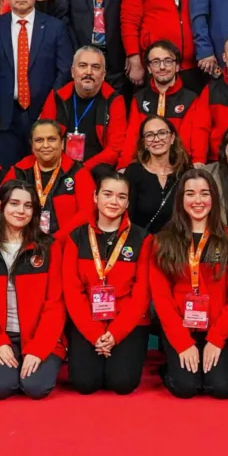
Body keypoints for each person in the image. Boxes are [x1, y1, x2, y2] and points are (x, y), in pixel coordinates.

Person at [149, 169, 228, 399]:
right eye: (190, 194)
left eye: (204, 193)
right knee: (185, 387)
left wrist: (216, 339)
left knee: (221, 388)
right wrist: (183, 342)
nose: (198, 200)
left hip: (219, 328)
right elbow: (161, 299)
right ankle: (171, 364)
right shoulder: (163, 241)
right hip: (181, 328)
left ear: (214, 198)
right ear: (180, 199)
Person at [0, 180, 65, 399]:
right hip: (3, 335)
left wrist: (38, 349)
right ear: (0, 206)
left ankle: (32, 364)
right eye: (14, 203)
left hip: (39, 335)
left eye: (28, 206)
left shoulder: (49, 247)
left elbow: (55, 304)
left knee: (35, 387)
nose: (21, 211)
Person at [59, 169, 152, 395]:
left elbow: (141, 295)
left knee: (122, 383)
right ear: (95, 196)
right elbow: (73, 292)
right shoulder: (76, 237)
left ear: (128, 202)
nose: (114, 202)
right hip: (88, 321)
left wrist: (116, 333)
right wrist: (94, 333)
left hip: (127, 322)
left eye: (121, 197)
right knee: (85, 383)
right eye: (107, 194)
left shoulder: (143, 239)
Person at [0, 0, 72, 167]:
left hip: (44, 114)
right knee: (10, 174)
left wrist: (50, 107)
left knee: (44, 170)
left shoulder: (54, 27)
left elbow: (64, 70)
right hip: (4, 116)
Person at [39, 46, 130, 175]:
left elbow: (115, 149)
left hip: (95, 169)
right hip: (59, 167)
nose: (88, 72)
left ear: (103, 75)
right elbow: (43, 138)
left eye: (95, 67)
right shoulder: (56, 97)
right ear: (72, 72)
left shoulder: (114, 100)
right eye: (82, 66)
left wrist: (81, 170)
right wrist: (65, 167)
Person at [124, 40, 207, 164]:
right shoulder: (139, 98)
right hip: (145, 163)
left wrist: (197, 162)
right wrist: (123, 166)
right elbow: (132, 138)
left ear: (177, 66)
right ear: (149, 68)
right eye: (156, 62)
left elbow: (195, 138)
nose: (162, 67)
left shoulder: (191, 99)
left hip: (179, 164)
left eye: (168, 61)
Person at [1, 118, 87, 238]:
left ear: (62, 143)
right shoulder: (18, 171)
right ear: (32, 145)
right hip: (23, 241)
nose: (45, 145)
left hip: (66, 242)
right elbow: (2, 209)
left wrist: (56, 240)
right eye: (39, 140)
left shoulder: (78, 171)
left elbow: (86, 214)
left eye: (51, 139)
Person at [124, 114, 187, 234]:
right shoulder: (133, 172)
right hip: (142, 242)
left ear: (172, 138)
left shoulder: (184, 172)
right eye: (149, 135)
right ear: (144, 143)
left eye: (162, 133)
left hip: (178, 241)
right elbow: (126, 216)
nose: (156, 139)